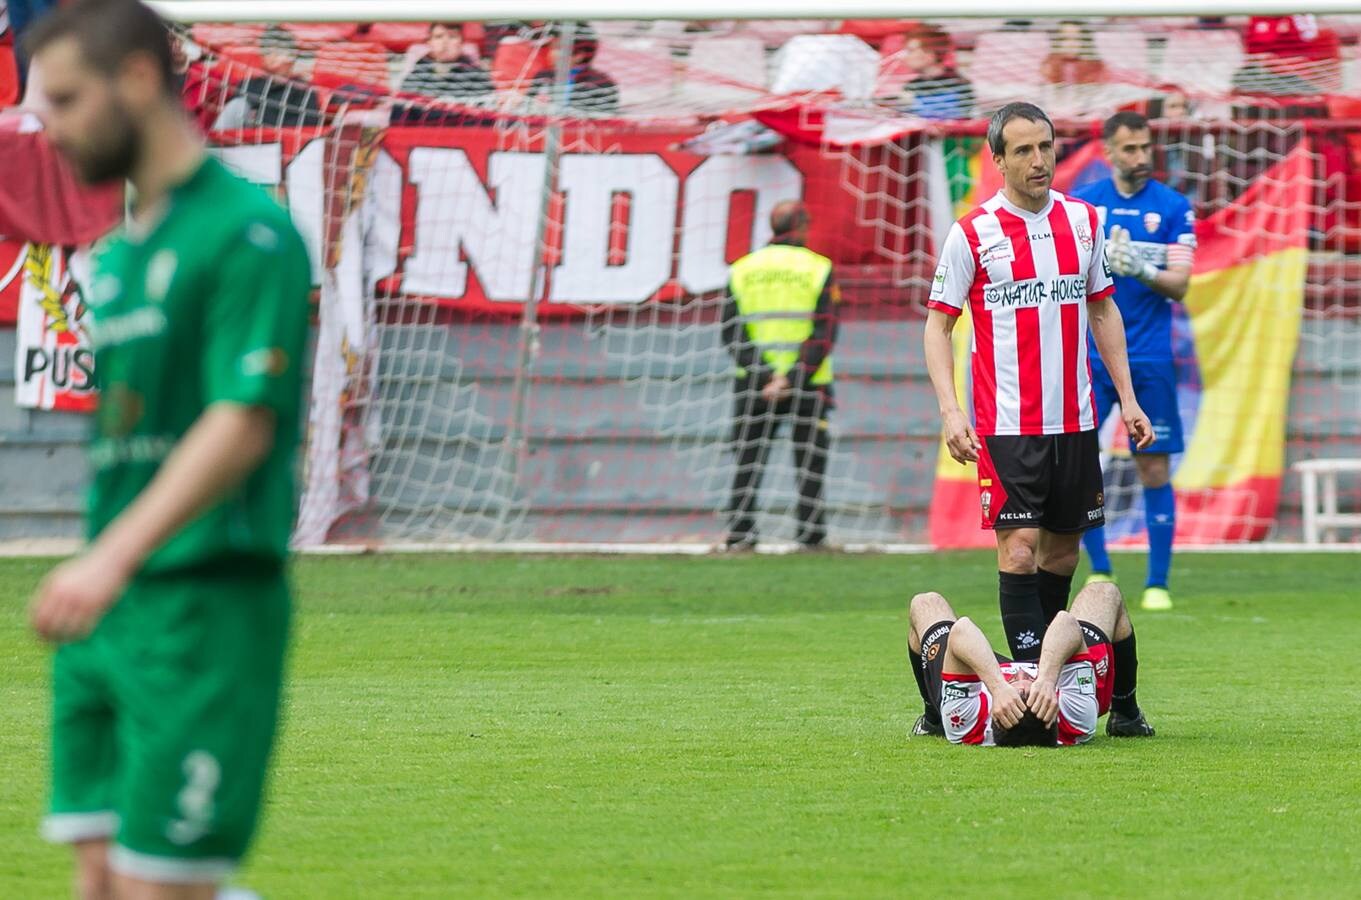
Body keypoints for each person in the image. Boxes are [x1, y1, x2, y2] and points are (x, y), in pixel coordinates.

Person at [24, 0, 312, 896]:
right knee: (100, 875)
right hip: (107, 613)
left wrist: (108, 557)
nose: (51, 132)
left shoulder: (247, 235)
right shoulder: (112, 259)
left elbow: (242, 421)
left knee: (162, 886)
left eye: (66, 102)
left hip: (204, 607)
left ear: (140, 81)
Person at [923, 102, 1153, 664]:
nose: (1038, 159)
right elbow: (938, 324)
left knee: (1061, 555)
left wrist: (1127, 398)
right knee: (1019, 549)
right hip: (1006, 424)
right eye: (1023, 150)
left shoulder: (1084, 221)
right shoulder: (972, 233)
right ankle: (1029, 680)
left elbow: (1102, 310)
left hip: (1075, 419)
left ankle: (1053, 669)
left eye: (1046, 146)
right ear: (998, 159)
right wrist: (952, 412)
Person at [1072, 111, 1196, 611]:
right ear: (1108, 151)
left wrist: (1142, 268)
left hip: (1147, 359)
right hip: (1089, 356)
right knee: (1080, 467)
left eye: (1146, 147)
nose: (1141, 157)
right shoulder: (1084, 208)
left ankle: (1157, 583)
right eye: (1130, 149)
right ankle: (1100, 571)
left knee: (1153, 467)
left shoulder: (1172, 207)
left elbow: (1180, 283)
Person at [721, 200, 839, 551]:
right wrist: (792, 378)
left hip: (754, 385)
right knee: (809, 462)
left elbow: (731, 331)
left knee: (748, 460)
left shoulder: (742, 269)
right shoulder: (819, 268)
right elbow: (824, 330)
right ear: (802, 226)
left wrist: (765, 376)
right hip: (808, 382)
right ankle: (811, 535)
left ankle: (741, 533)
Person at [907, 581, 1155, 745]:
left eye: (1019, 691)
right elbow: (1066, 623)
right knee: (1104, 593)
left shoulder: (967, 722)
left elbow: (961, 631)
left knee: (925, 603)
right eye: (1031, 691)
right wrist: (1046, 680)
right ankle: (1126, 715)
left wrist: (999, 687)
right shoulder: (1076, 718)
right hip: (1065, 678)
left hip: (979, 678)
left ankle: (933, 720)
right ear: (1053, 711)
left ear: (995, 712)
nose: (1024, 676)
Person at [211, 25, 323, 129]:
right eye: (267, 49)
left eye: (279, 49)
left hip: (283, 146)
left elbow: (308, 124)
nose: (272, 54)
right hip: (240, 144)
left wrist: (260, 119)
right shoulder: (247, 85)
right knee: (237, 105)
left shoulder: (304, 90)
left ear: (292, 55)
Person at [527, 21, 619, 114]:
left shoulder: (601, 83)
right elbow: (528, 108)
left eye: (558, 48)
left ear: (579, 54)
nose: (551, 53)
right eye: (551, 48)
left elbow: (606, 119)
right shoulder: (543, 77)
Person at [897, 24, 972, 120]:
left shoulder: (959, 85)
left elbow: (964, 120)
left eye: (911, 51)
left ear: (930, 52)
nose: (905, 57)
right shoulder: (911, 87)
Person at [400, 22, 492, 100]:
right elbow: (399, 115)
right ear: (429, 43)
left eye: (452, 37)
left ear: (461, 43)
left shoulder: (477, 78)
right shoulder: (415, 76)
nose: (445, 42)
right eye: (439, 37)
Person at [1040, 19, 1106, 86]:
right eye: (1065, 39)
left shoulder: (1096, 66)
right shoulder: (1049, 64)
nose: (1070, 44)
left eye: (1077, 39)